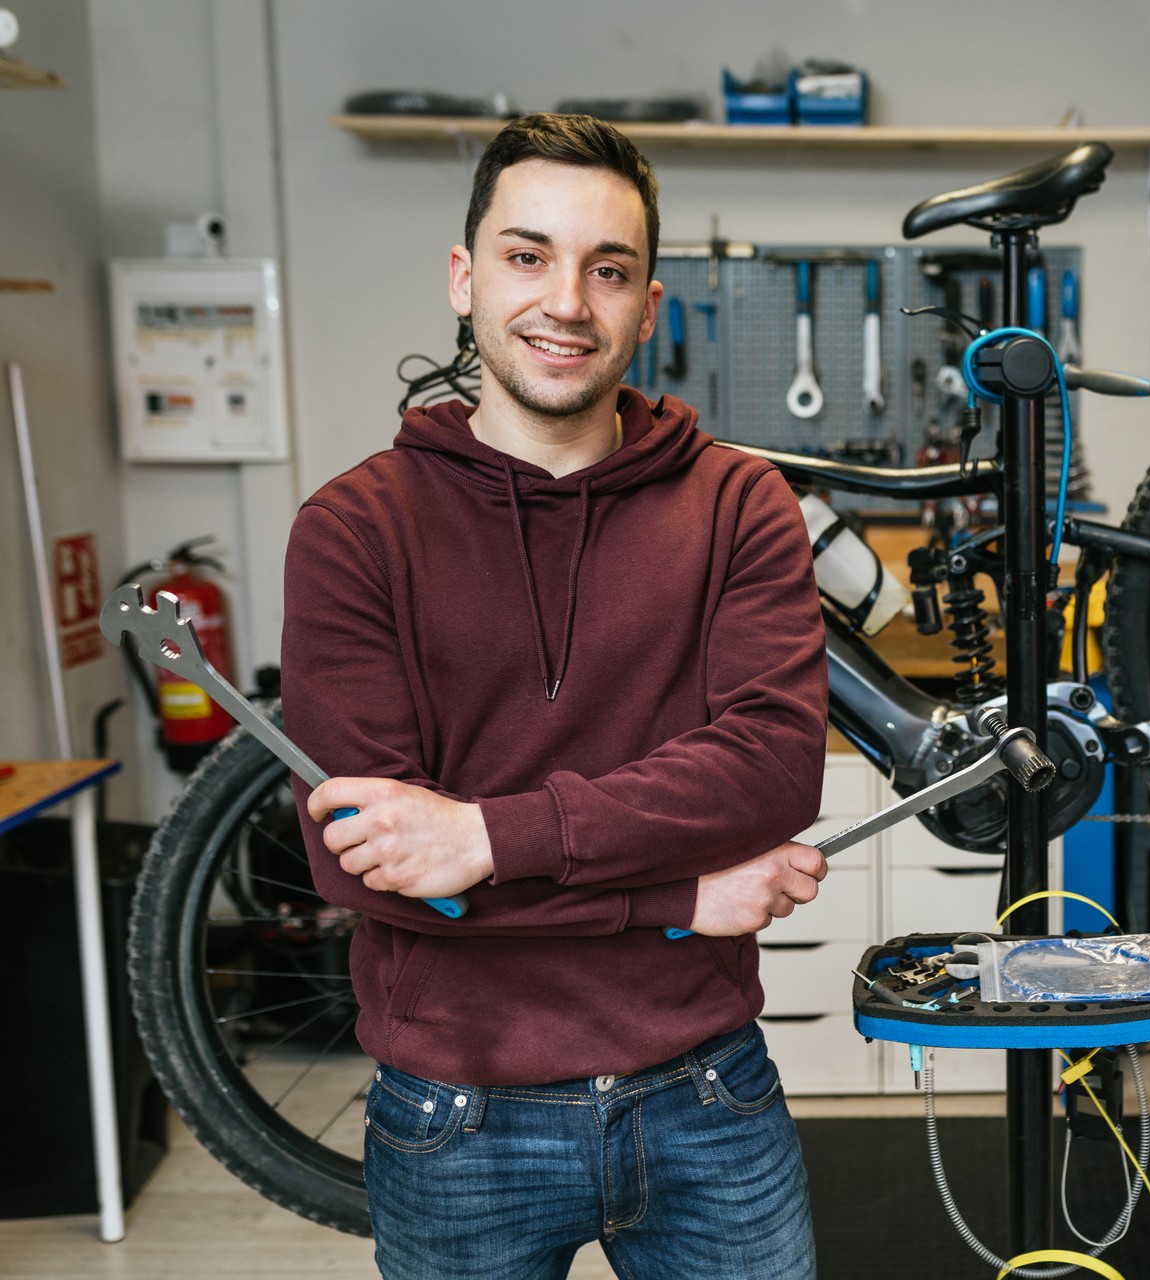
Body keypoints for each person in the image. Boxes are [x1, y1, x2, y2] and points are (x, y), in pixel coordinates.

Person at [281, 112, 829, 1279]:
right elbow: (356, 863)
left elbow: (775, 766)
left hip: (708, 1095)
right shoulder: (353, 531)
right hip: (456, 1115)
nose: (567, 301)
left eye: (609, 268)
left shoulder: (741, 504)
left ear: (648, 301)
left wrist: (482, 834)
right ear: (464, 277)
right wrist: (674, 890)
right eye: (529, 256)